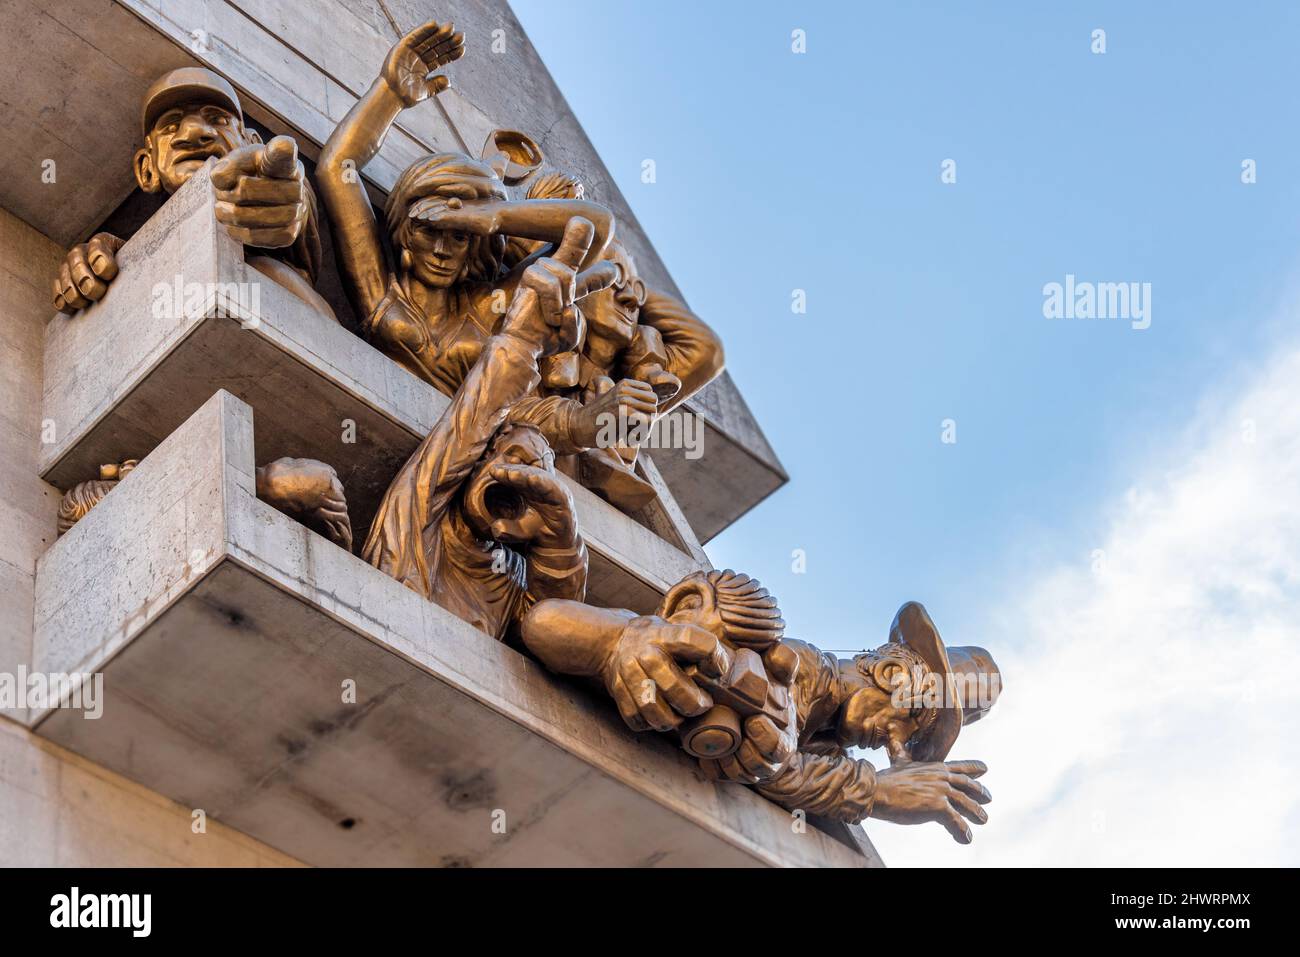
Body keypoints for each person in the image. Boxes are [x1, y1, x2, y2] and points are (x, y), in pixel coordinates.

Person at [521, 577, 1001, 843]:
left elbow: (784, 767)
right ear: (895, 677)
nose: (894, 748)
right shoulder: (798, 665)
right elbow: (771, 763)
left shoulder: (828, 748)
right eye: (909, 725)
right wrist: (874, 792)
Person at [317, 20, 623, 404]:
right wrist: (390, 93)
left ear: (475, 246)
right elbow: (336, 169)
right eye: (430, 230)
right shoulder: (381, 289)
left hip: (468, 447)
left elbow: (595, 227)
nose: (443, 250)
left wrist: (494, 218)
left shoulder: (490, 304)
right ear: (406, 232)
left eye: (459, 236)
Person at [362, 217, 618, 641]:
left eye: (534, 482)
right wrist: (522, 338)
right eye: (514, 461)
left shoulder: (510, 577)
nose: (517, 482)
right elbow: (467, 426)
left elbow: (555, 626)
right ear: (477, 460)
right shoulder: (416, 521)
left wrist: (559, 539)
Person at [52, 67, 333, 320]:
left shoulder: (271, 259)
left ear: (252, 141)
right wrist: (126, 261)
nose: (194, 132)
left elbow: (295, 193)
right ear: (146, 169)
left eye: (218, 119)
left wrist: (289, 192)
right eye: (171, 126)